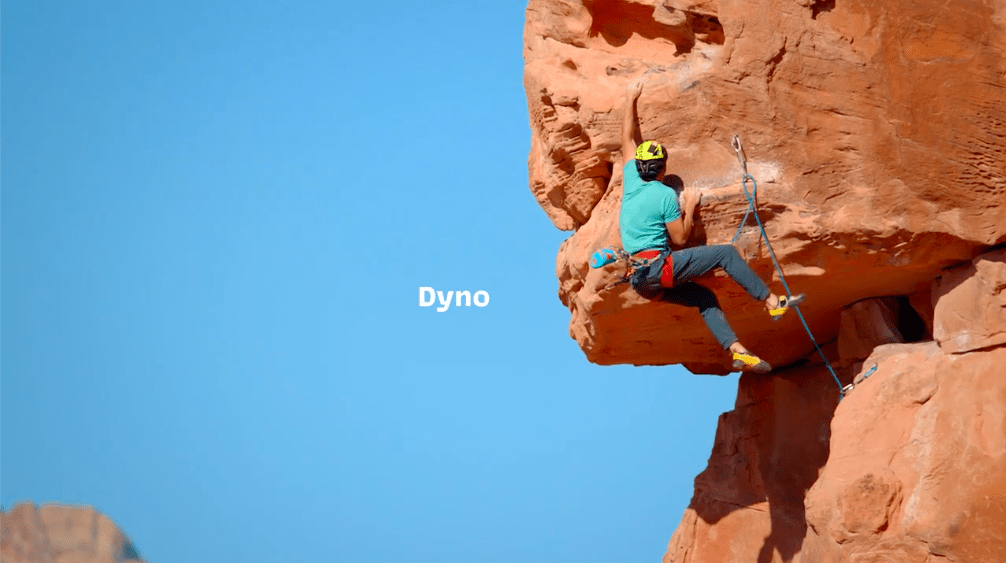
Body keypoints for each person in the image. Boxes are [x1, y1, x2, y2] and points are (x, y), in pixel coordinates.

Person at [618, 78, 804, 373]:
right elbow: (679, 239)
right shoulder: (666, 195)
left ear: (639, 166)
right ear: (663, 168)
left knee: (704, 298)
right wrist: (688, 209)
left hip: (641, 282)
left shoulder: (630, 179)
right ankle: (771, 301)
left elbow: (627, 138)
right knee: (726, 254)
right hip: (659, 268)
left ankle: (738, 351)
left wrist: (630, 97)